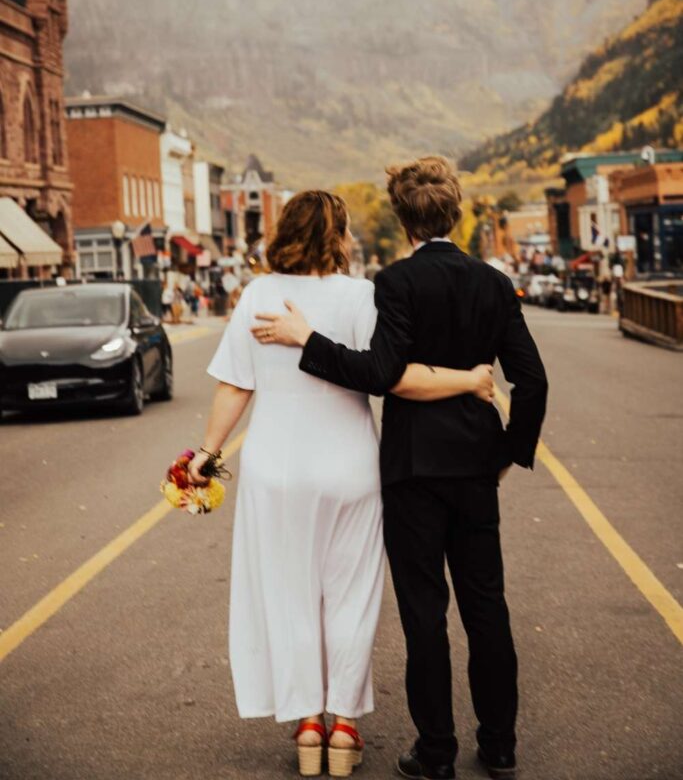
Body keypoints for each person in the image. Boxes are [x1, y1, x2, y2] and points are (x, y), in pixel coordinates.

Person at [253, 157, 548, 780]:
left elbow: (381, 373)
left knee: (424, 612)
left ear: (402, 217)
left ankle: (435, 751)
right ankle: (499, 745)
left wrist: (308, 341)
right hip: (474, 468)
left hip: (412, 470)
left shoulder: (396, 282)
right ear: (456, 210)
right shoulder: (492, 283)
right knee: (487, 606)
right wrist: (506, 454)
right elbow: (533, 379)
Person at [188, 190, 496, 779]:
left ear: (285, 231)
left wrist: (206, 454)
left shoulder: (257, 293)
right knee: (350, 597)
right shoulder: (362, 296)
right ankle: (346, 727)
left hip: (275, 470)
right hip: (349, 469)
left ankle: (308, 724)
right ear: (340, 235)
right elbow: (394, 376)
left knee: (291, 594)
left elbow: (235, 386)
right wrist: (467, 380)